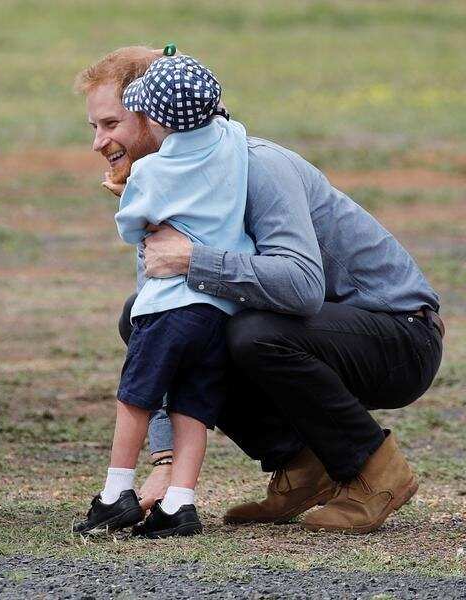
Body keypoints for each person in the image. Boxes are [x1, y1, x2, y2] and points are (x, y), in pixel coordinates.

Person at [76, 46, 443, 534]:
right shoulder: (167, 184)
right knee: (152, 316)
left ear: (153, 117)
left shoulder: (256, 164)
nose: (99, 143)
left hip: (399, 336)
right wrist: (163, 460)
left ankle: (376, 471)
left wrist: (193, 258)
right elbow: (159, 323)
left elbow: (303, 287)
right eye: (94, 128)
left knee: (252, 332)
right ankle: (300, 465)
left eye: (110, 124)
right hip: (314, 333)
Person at [74, 54, 253, 538]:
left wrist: (129, 195)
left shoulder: (151, 174)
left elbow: (132, 226)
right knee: (193, 405)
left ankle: (115, 493)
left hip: (168, 308)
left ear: (153, 120)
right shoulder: (234, 144)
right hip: (217, 311)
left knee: (136, 396)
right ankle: (181, 503)